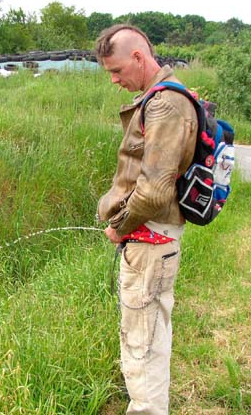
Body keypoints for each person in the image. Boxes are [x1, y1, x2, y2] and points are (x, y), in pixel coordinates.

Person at [95, 24, 198, 414]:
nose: (115, 80)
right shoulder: (159, 99)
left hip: (149, 243)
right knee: (150, 340)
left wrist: (118, 225)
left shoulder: (164, 105)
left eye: (117, 70)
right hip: (150, 243)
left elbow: (154, 192)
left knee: (142, 347)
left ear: (139, 57)